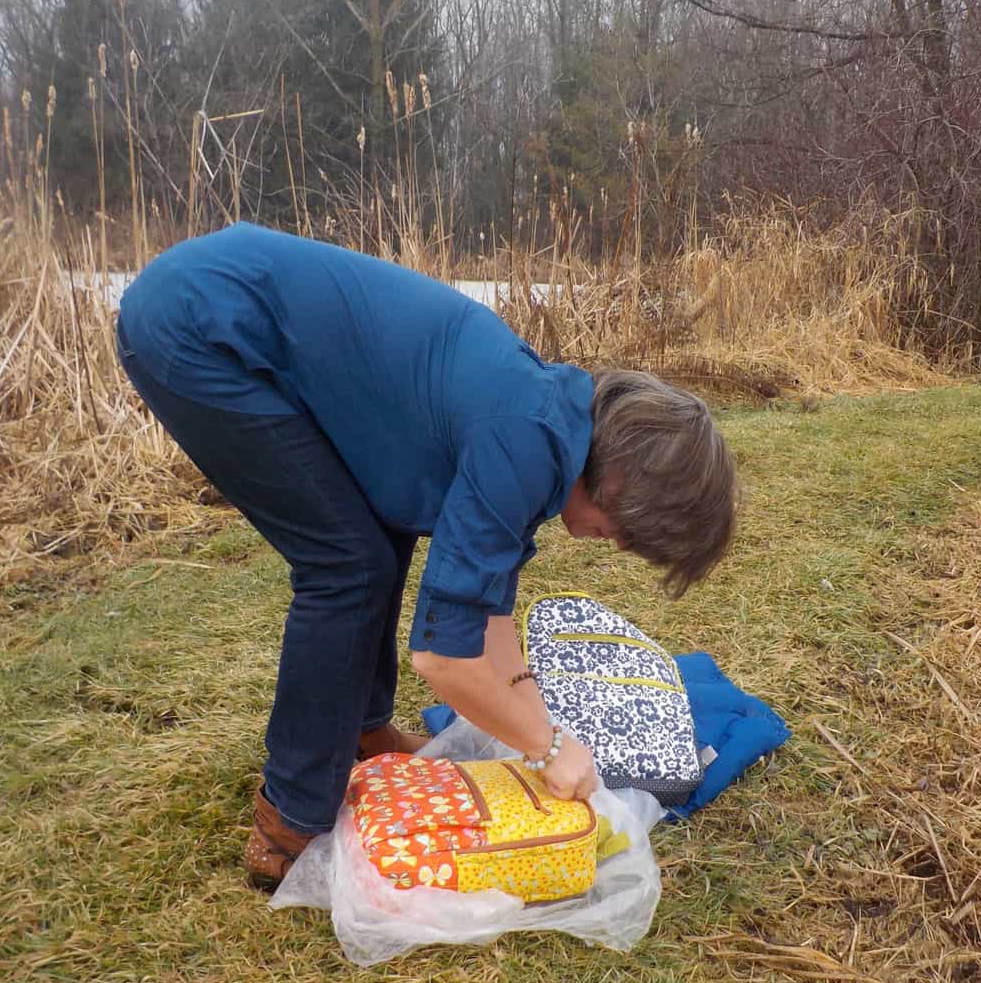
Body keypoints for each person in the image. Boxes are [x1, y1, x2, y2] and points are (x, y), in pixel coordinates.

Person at [116, 222, 737, 890]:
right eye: (628, 531)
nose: (617, 543)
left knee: (374, 543)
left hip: (222, 306)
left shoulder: (550, 427)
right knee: (345, 565)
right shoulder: (522, 442)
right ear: (622, 480)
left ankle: (362, 732)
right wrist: (549, 748)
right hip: (200, 326)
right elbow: (443, 656)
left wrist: (530, 717)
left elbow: (484, 602)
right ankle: (290, 819)